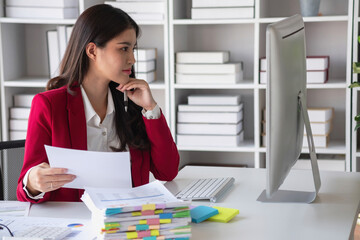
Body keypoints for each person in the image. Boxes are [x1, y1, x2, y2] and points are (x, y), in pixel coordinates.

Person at [16, 4, 179, 203]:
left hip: (128, 222)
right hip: (76, 225)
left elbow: (167, 171)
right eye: (124, 49)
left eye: (133, 49)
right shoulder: (49, 105)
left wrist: (151, 108)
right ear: (92, 51)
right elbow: (24, 191)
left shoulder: (132, 103)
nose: (132, 59)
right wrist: (33, 182)